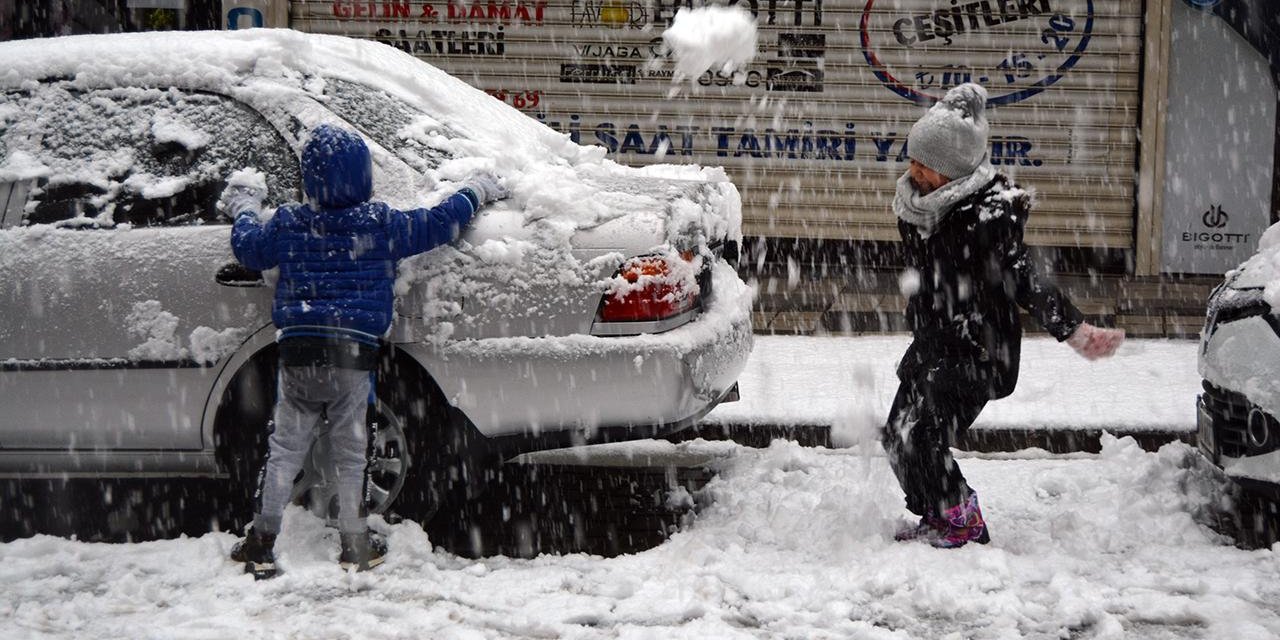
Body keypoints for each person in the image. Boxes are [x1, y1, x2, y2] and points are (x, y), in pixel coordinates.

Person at [220, 124, 509, 577]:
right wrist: (476, 189)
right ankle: (355, 543)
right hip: (352, 357)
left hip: (298, 352)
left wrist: (244, 207)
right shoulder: (380, 223)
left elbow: (249, 248)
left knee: (285, 449)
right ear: (364, 177)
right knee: (352, 450)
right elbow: (440, 224)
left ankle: (261, 538)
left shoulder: (290, 222)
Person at [884, 83, 1124, 548]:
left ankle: (961, 520)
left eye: (925, 165)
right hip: (937, 342)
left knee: (920, 435)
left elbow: (1026, 279)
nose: (914, 171)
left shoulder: (987, 220)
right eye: (912, 159)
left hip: (978, 349)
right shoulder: (920, 206)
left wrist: (1073, 329)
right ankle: (938, 513)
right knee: (897, 434)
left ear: (955, 171)